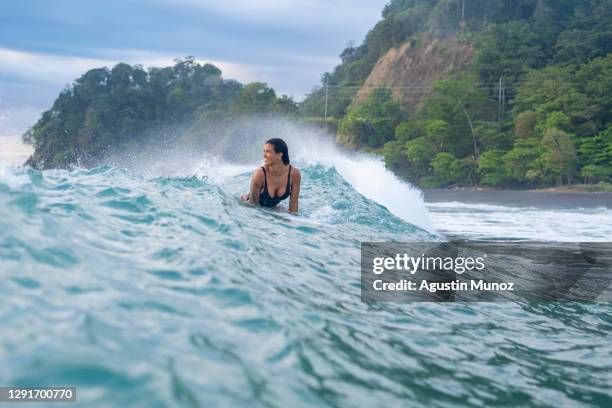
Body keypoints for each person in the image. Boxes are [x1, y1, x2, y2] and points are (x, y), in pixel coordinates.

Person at [240, 138, 301, 213]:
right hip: (250, 205)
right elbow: (253, 207)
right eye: (264, 151)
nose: (264, 155)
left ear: (280, 155)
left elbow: (293, 205)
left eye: (268, 152)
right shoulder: (259, 174)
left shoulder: (294, 174)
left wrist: (294, 222)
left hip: (273, 208)